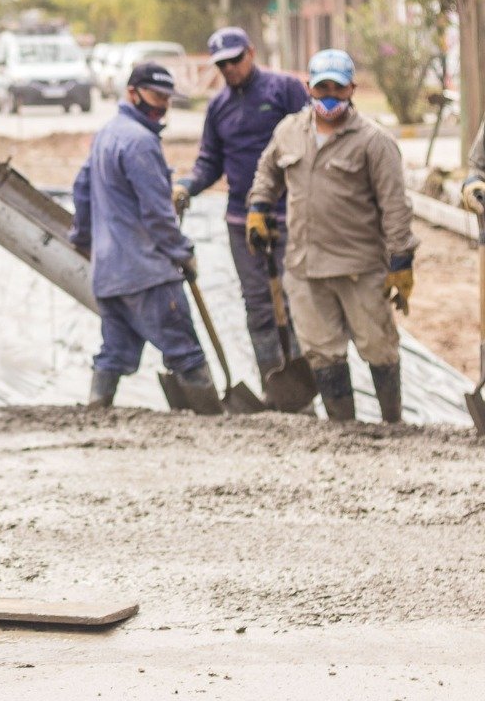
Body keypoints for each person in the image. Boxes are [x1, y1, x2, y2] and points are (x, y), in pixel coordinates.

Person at [247, 49, 418, 423]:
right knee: (322, 352)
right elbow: (267, 172)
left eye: (337, 88)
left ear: (352, 89)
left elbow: (395, 206)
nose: (329, 96)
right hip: (305, 268)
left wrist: (401, 260)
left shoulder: (374, 141)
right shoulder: (289, 131)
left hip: (360, 268)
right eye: (321, 86)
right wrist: (259, 207)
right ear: (308, 87)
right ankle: (344, 429)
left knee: (379, 347)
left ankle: (393, 423)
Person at [71, 62, 222, 412]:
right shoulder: (140, 143)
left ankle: (97, 410)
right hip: (147, 273)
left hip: (109, 274)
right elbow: (157, 213)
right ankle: (214, 419)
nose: (162, 106)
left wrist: (84, 238)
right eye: (156, 96)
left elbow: (81, 191)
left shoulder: (107, 134)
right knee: (184, 350)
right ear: (131, 93)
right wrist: (183, 252)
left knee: (114, 351)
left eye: (167, 98)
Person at [171, 27, 310, 385]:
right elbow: (210, 161)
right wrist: (189, 184)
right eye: (222, 65)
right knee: (258, 304)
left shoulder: (285, 90)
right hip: (241, 220)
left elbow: (311, 142)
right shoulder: (218, 107)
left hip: (288, 214)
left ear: (250, 53)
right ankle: (272, 380)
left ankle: (303, 380)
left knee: (297, 301)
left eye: (235, 60)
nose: (229, 69)